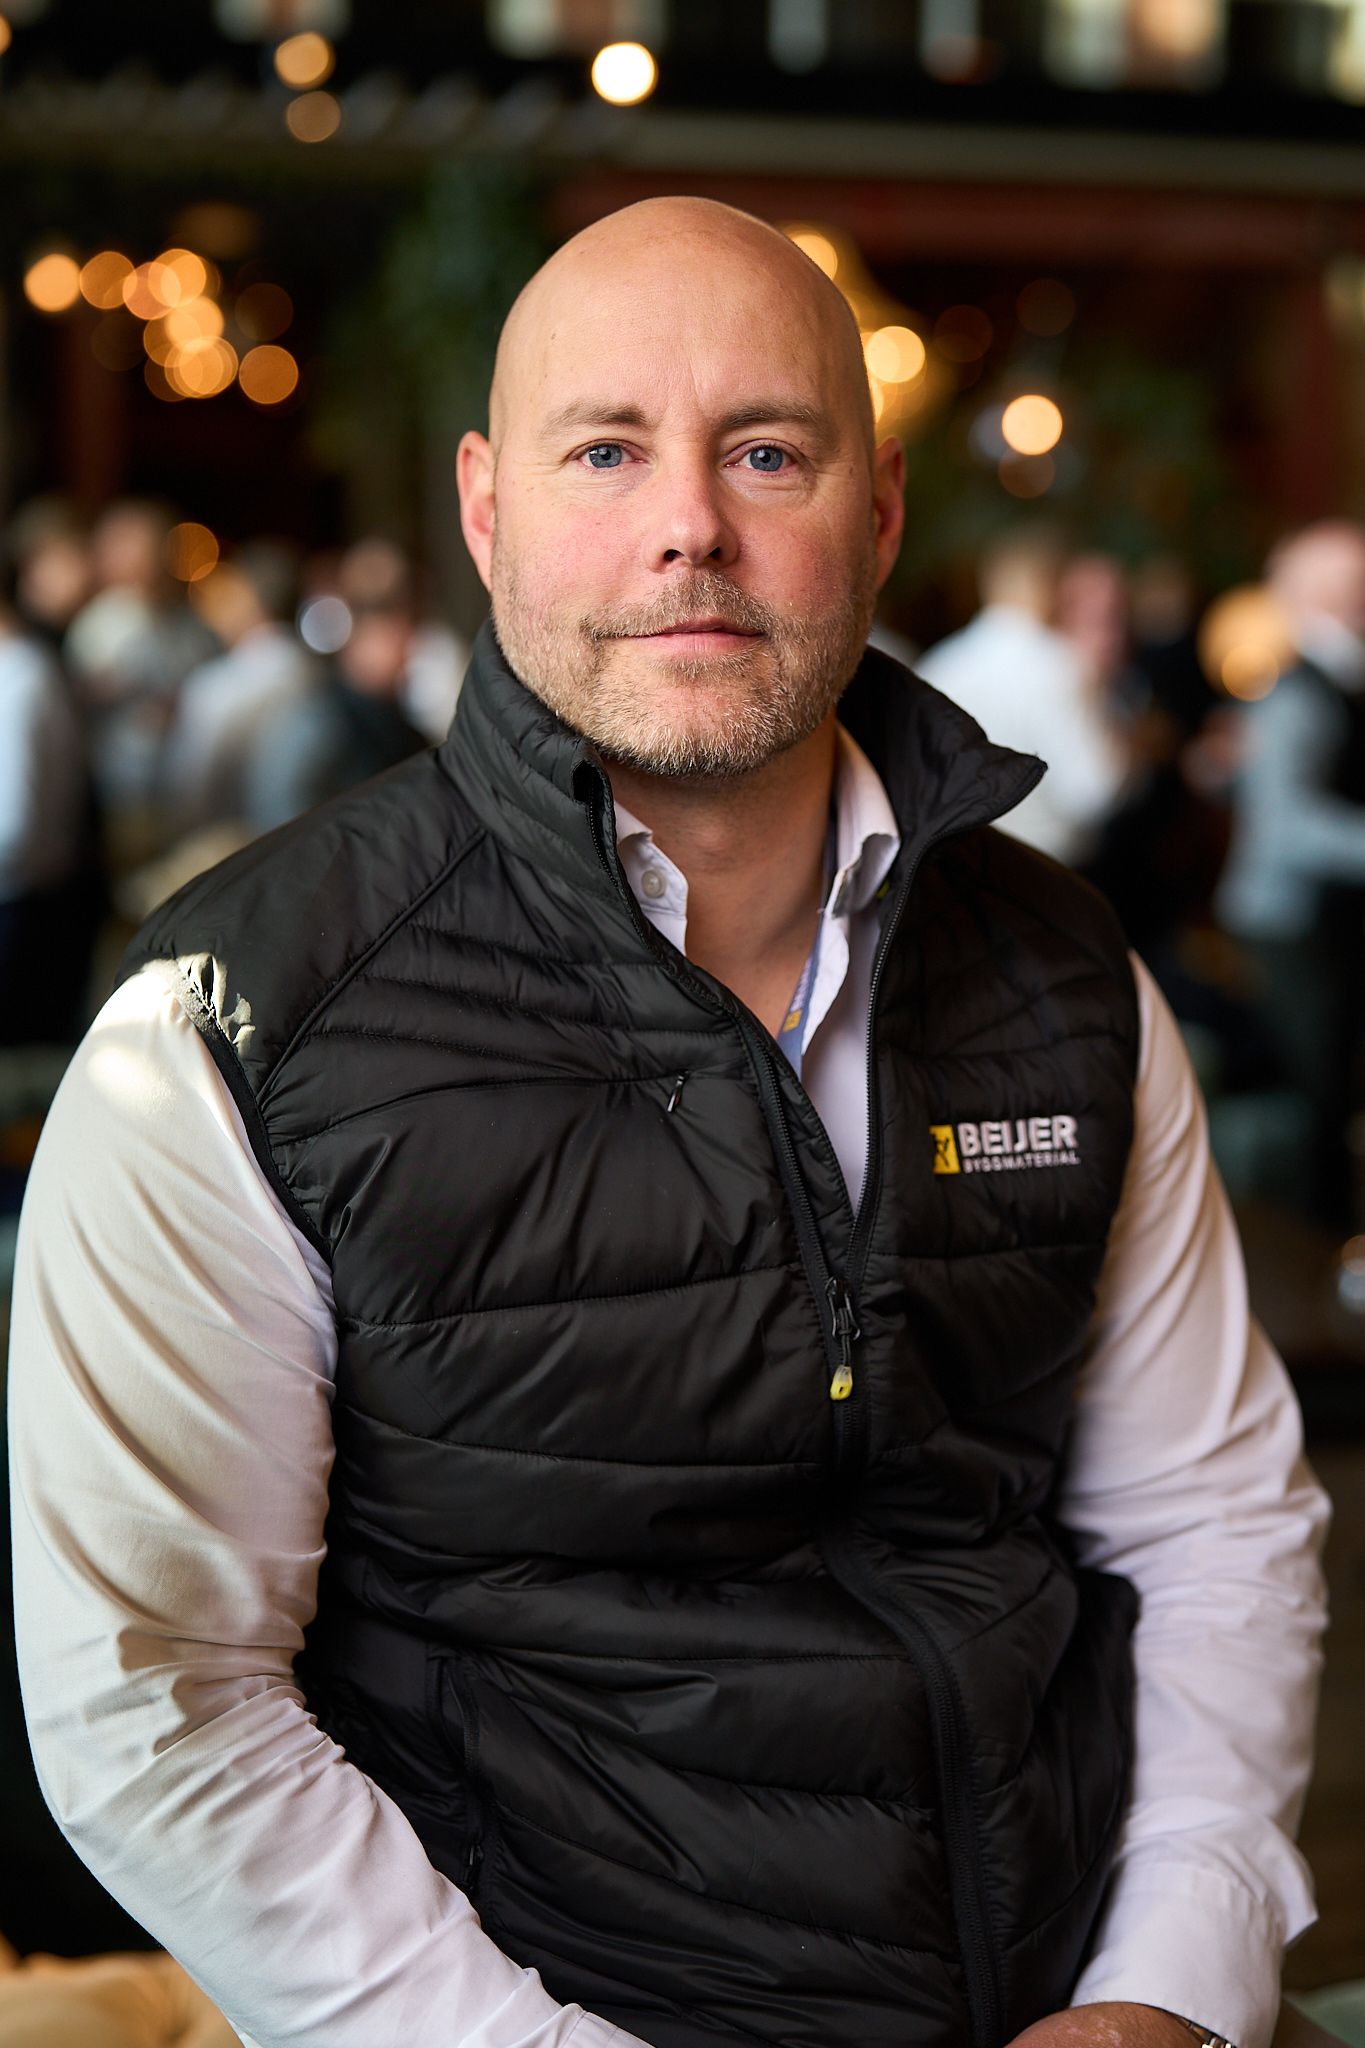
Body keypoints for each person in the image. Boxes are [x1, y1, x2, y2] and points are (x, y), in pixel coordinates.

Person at [9, 200, 1328, 2048]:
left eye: (767, 451)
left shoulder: (1066, 974)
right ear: (488, 512)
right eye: (606, 451)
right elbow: (162, 1703)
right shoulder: (234, 1025)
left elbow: (1208, 1519)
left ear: (879, 515)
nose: (691, 522)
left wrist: (1171, 1984)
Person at [1216, 520, 1365, 1226]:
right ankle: (1313, 1248)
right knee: (1317, 1096)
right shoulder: (1297, 690)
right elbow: (1284, 826)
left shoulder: (1331, 680)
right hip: (1289, 923)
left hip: (1326, 920)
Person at [916, 526, 1130, 866]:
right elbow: (1093, 792)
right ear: (1049, 586)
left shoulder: (938, 664)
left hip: (954, 865)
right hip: (1049, 866)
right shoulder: (1057, 663)